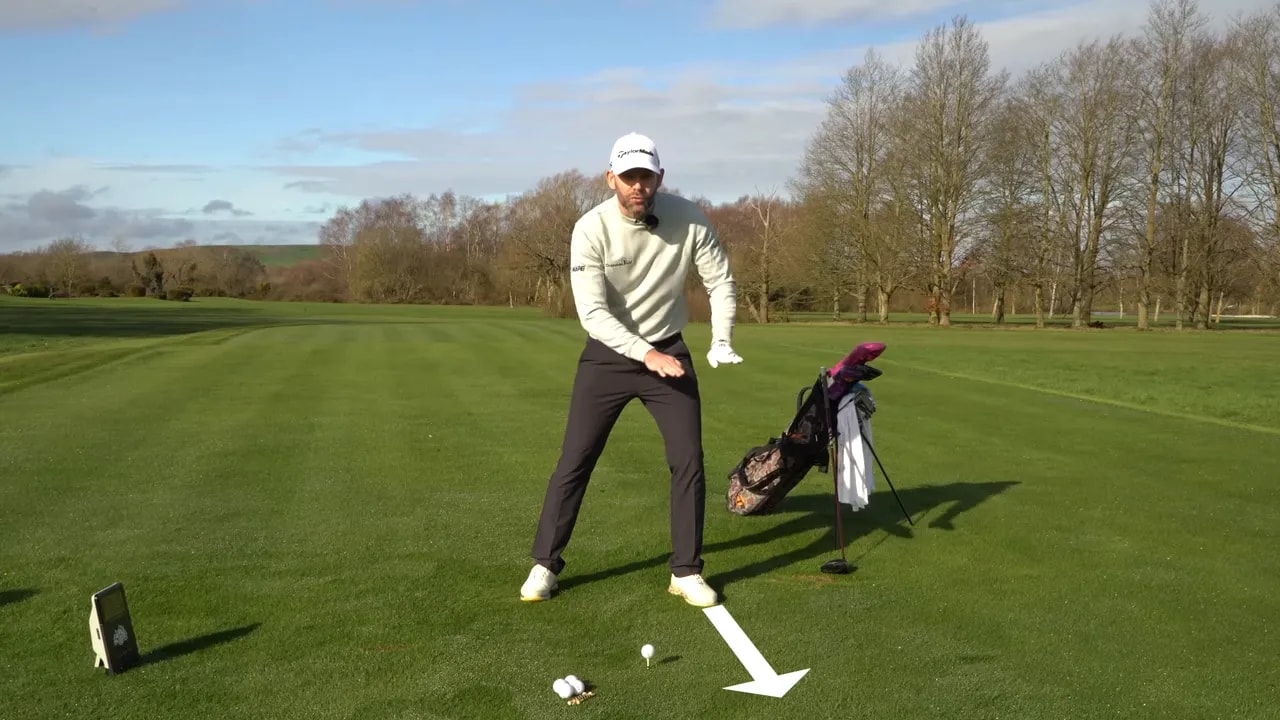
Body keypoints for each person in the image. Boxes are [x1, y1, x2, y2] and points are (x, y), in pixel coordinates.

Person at [520, 131, 743, 608]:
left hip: (669, 349)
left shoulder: (689, 219)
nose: (637, 186)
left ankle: (686, 571)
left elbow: (720, 281)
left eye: (646, 176)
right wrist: (645, 354)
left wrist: (720, 339)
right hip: (608, 355)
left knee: (688, 460)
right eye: (628, 177)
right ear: (611, 179)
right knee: (575, 460)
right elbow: (593, 315)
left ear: (659, 177)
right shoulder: (590, 228)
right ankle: (545, 565)